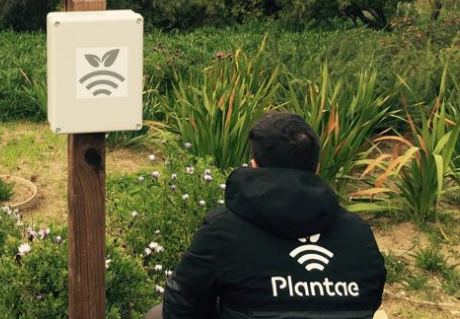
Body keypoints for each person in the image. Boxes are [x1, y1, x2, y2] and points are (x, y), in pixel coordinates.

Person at [145, 111, 386, 319]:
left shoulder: (223, 229)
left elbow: (181, 308)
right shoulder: (358, 233)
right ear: (316, 169)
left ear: (254, 166)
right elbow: (370, 299)